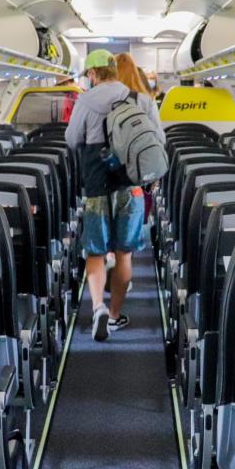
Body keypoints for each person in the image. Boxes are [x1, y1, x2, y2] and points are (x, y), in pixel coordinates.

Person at [66, 49, 165, 341]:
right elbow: (158, 141)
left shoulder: (85, 101)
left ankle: (98, 306)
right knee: (124, 254)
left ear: (94, 73)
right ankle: (114, 316)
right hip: (130, 186)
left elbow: (72, 140)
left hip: (97, 184)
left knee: (95, 253)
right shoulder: (142, 100)